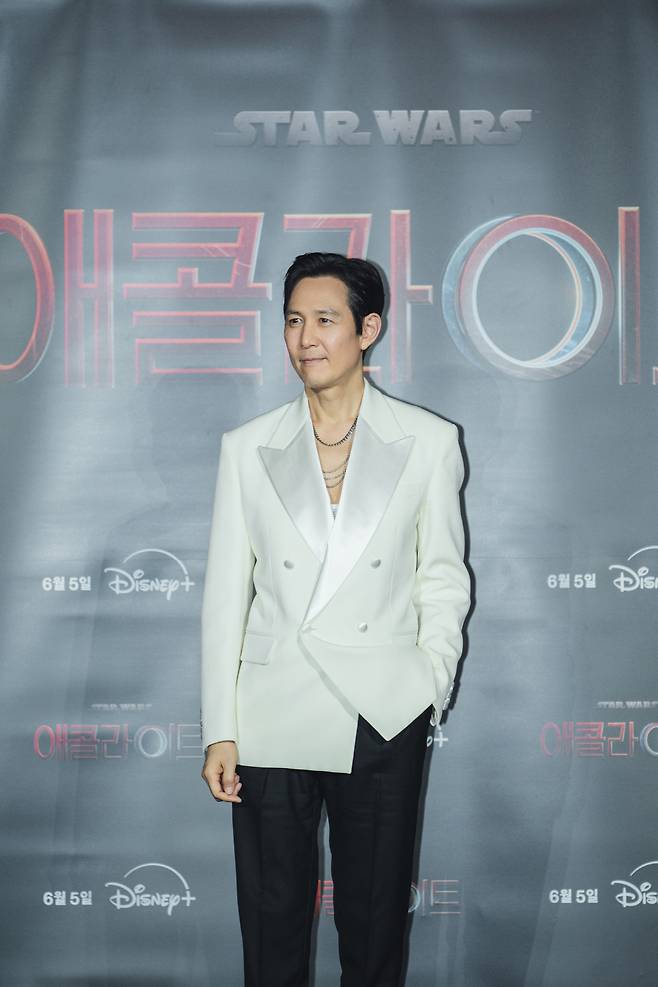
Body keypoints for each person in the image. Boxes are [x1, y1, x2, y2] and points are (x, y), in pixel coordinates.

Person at [200, 251, 471, 986]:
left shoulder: (428, 439)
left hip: (381, 708)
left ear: (367, 329)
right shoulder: (246, 447)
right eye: (293, 320)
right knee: (272, 923)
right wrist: (220, 726)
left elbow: (443, 576)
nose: (305, 338)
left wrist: (429, 683)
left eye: (325, 319)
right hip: (270, 711)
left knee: (374, 924)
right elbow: (226, 594)